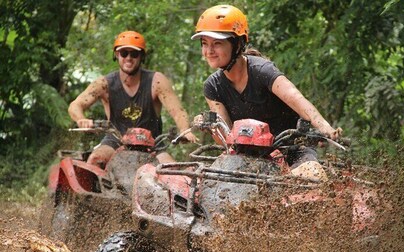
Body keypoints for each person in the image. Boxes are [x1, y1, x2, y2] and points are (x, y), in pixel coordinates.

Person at [191, 5, 342, 181]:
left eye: (217, 43)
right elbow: (226, 139)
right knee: (210, 185)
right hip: (249, 158)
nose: (209, 51)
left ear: (237, 44)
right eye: (204, 44)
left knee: (312, 176)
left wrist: (324, 127)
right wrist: (211, 126)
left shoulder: (262, 70)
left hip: (292, 151)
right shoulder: (212, 86)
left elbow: (296, 98)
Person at [68, 30, 197, 167]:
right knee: (95, 159)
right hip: (115, 140)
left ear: (142, 56)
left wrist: (184, 130)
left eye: (134, 54)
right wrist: (81, 119)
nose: (129, 58)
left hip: (153, 143)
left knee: (172, 171)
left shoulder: (157, 82)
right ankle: (85, 189)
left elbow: (178, 111)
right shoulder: (104, 84)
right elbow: (75, 105)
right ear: (117, 55)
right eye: (124, 53)